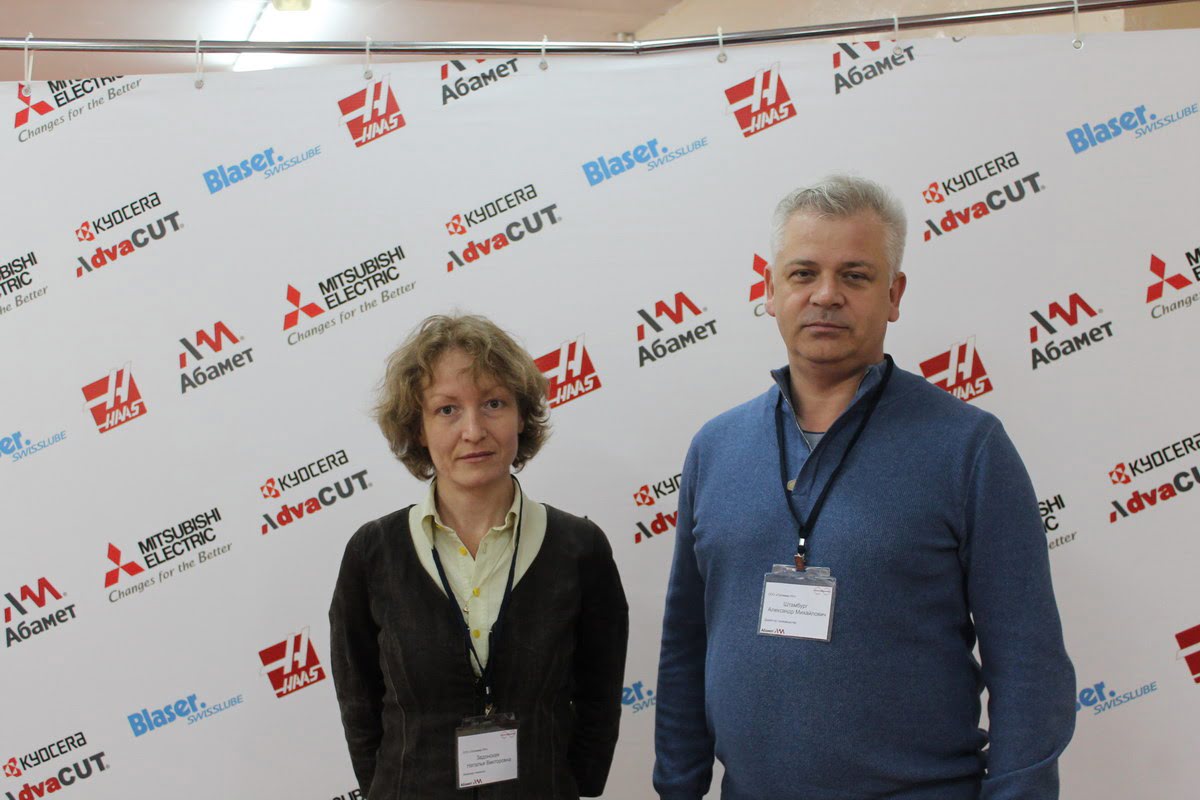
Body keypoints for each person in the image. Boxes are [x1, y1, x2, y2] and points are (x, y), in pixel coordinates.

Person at [653, 176, 1075, 800]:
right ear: (769, 290)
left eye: (854, 275)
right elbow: (686, 646)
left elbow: (1029, 665)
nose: (826, 295)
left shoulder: (968, 448)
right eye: (803, 273)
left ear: (894, 294)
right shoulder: (715, 448)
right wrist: (677, 788)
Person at [330, 314, 628, 799]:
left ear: (521, 416)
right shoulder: (372, 552)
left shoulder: (580, 547)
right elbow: (358, 702)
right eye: (447, 409)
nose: (473, 430)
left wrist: (572, 785)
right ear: (418, 428)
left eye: (493, 403)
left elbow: (600, 693)